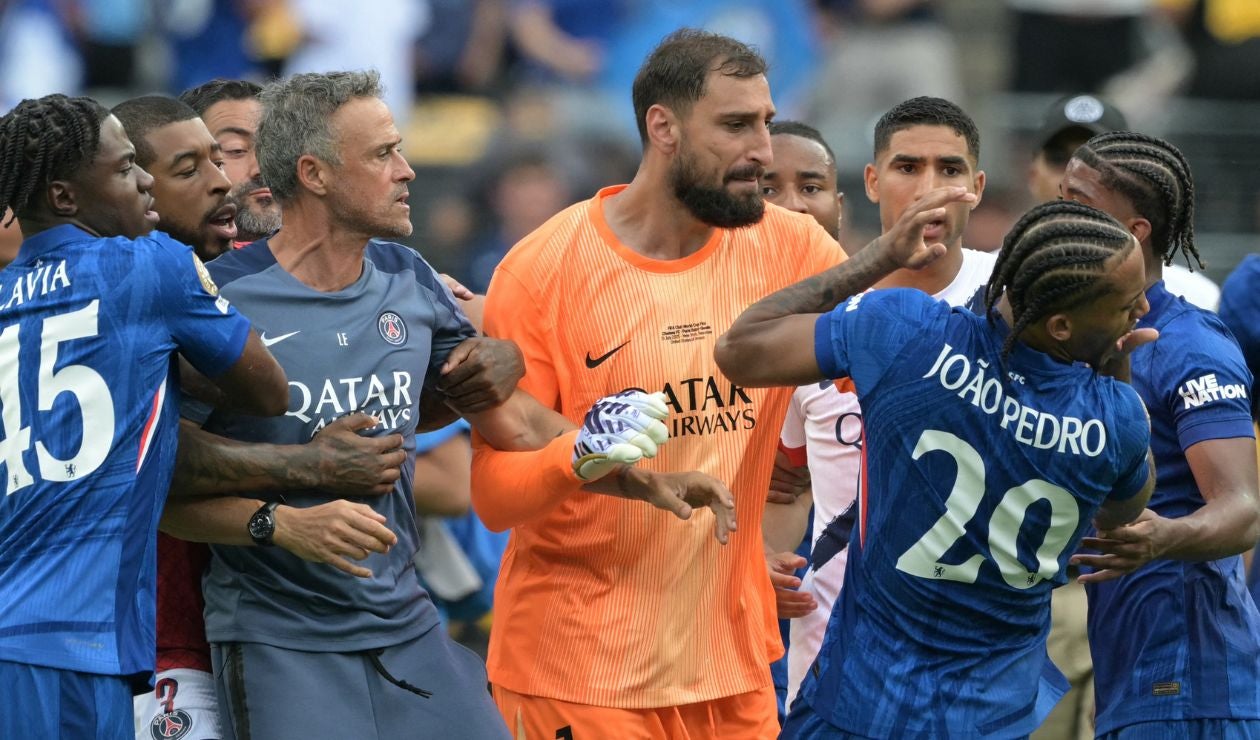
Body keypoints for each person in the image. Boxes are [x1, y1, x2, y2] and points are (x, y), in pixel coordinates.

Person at [161, 69, 729, 740]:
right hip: (281, 640)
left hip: (406, 623)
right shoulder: (219, 300)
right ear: (314, 174)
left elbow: (513, 420)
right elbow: (166, 487)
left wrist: (640, 476)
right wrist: (280, 525)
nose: (406, 171)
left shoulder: (412, 280)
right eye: (381, 155)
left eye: (399, 149)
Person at [468, 29, 846, 738]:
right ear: (662, 127)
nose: (763, 150)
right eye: (736, 125)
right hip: (579, 673)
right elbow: (492, 496)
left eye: (765, 122)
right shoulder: (545, 269)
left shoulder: (789, 246)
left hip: (732, 672)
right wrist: (583, 451)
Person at [716, 199, 1157, 737]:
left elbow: (739, 349)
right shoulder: (1117, 419)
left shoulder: (905, 330)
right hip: (988, 721)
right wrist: (1117, 370)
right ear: (1062, 326)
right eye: (1127, 306)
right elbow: (1122, 513)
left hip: (856, 704)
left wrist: (877, 256)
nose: (1142, 313)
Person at [0, 93, 287, 738]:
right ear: (68, 197)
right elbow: (268, 392)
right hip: (73, 639)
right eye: (128, 167)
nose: (144, 181)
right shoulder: (151, 262)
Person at [763, 99, 996, 712]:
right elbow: (785, 483)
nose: (929, 189)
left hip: (975, 665)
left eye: (949, 170)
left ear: (976, 187)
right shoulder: (816, 321)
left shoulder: (1012, 299)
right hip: (835, 666)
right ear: (871, 182)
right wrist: (765, 563)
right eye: (907, 167)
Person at [1062, 131, 1260, 739]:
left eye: (1078, 201)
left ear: (1135, 231)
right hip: (1133, 672)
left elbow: (1244, 510)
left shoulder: (1189, 347)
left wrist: (1163, 538)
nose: (1057, 213)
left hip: (1193, 678)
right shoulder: (1082, 341)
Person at [1028, 94, 1221, 311]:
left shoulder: (1196, 297)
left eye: (1097, 162)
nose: (1074, 173)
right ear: (1032, 174)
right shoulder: (989, 279)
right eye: (1058, 157)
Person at [180, 79, 281, 246]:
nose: (261, 168)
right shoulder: (172, 266)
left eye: (272, 147)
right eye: (236, 149)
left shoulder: (327, 259)